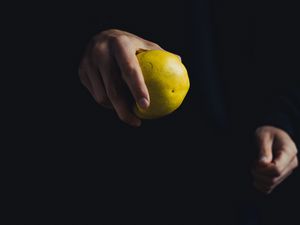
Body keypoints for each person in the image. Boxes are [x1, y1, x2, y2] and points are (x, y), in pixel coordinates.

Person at [78, 1, 300, 224]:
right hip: (136, 174)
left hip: (248, 180)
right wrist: (96, 36)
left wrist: (283, 119)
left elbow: (285, 39)